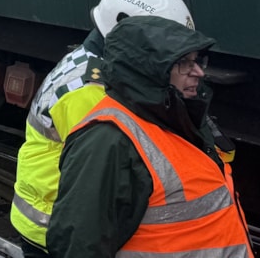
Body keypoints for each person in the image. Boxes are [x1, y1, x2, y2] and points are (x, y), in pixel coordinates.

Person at [11, 0, 197, 256]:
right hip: (55, 225)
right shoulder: (90, 93)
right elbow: (98, 181)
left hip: (68, 217)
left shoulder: (92, 62)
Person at [47, 15, 252, 257]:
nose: (198, 72)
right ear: (147, 70)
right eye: (183, 63)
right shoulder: (107, 140)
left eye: (197, 61)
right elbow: (79, 245)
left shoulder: (178, 119)